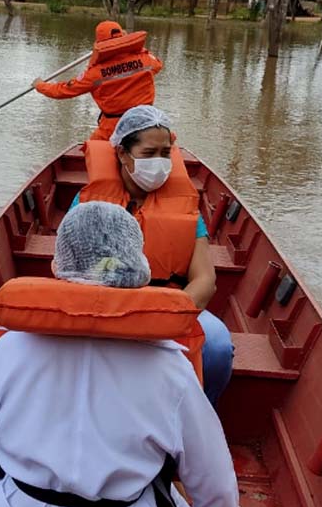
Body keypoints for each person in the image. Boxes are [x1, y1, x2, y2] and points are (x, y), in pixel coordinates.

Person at [0, 201, 253, 507]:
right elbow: (210, 477)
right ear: (141, 271)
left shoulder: (11, 349)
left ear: (58, 267)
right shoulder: (170, 367)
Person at [72, 105, 234, 407]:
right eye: (149, 154)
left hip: (170, 302)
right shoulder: (88, 202)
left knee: (217, 347)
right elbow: (76, 270)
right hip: (104, 302)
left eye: (166, 152)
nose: (159, 162)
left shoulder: (185, 207)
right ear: (122, 153)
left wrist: (166, 319)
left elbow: (205, 280)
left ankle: (195, 414)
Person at [32, 21, 163, 141]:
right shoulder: (146, 60)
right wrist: (131, 46)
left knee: (91, 151)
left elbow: (64, 91)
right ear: (122, 36)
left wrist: (40, 85)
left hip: (112, 128)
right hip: (146, 121)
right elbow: (158, 64)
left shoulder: (94, 73)